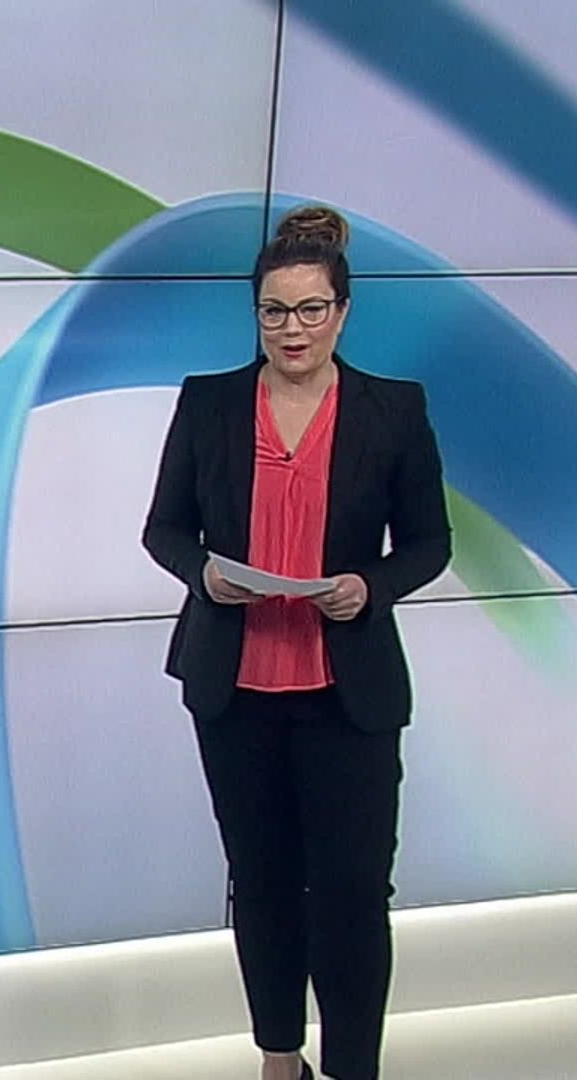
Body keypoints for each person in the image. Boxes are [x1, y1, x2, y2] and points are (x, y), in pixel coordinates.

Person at [140, 205, 452, 1080]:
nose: (292, 328)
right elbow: (164, 528)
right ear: (256, 315)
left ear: (342, 312)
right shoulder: (209, 403)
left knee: (353, 895)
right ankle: (281, 1058)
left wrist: (370, 587)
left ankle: (353, 1068)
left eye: (311, 309)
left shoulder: (393, 410)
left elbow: (429, 543)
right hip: (235, 691)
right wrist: (204, 574)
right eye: (274, 311)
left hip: (346, 696)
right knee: (263, 883)